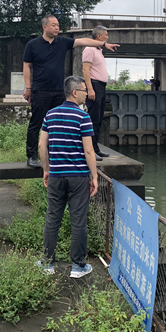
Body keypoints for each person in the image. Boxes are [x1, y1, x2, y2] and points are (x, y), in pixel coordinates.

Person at [23, 15, 119, 168]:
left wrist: (104, 44)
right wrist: (28, 88)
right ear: (44, 27)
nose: (57, 28)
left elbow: (84, 41)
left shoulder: (62, 42)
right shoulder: (33, 45)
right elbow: (26, 66)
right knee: (36, 123)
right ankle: (32, 156)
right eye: (53, 25)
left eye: (58, 25)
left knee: (59, 124)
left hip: (59, 91)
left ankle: (55, 154)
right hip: (40, 90)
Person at [37, 76, 98, 278]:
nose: (86, 93)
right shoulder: (83, 117)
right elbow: (89, 151)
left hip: (56, 175)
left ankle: (47, 263)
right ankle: (78, 266)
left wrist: (47, 169)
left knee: (53, 217)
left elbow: (41, 146)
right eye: (83, 90)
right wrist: (94, 176)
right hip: (78, 177)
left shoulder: (50, 115)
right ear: (74, 92)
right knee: (78, 220)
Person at [82, 25, 110, 158]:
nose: (107, 37)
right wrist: (90, 89)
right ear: (99, 36)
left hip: (101, 86)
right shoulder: (89, 49)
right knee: (93, 119)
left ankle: (96, 148)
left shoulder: (98, 50)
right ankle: (90, 150)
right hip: (94, 85)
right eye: (106, 35)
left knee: (98, 119)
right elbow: (85, 70)